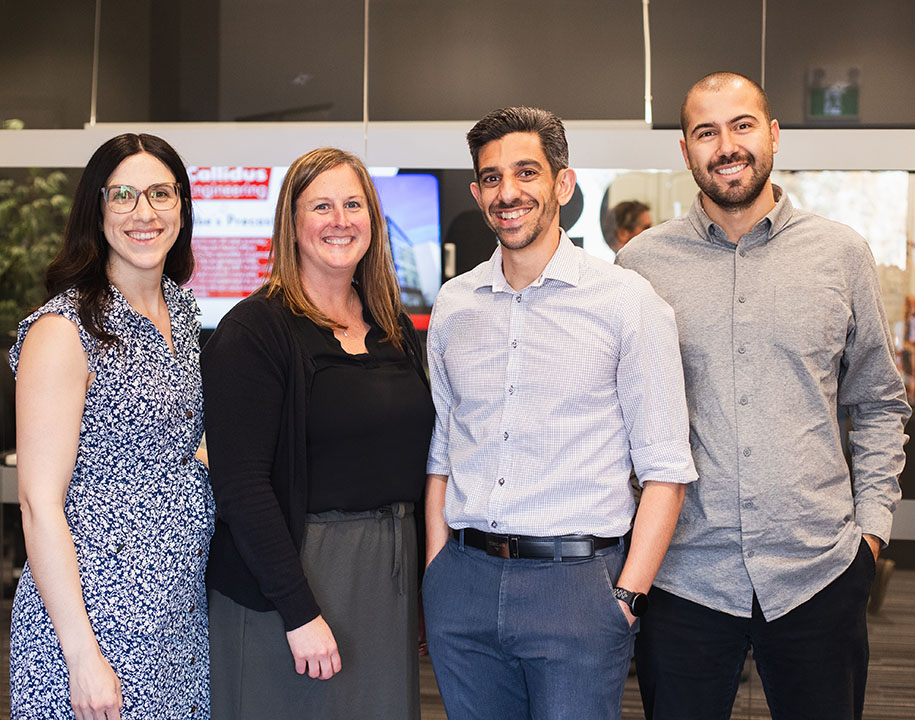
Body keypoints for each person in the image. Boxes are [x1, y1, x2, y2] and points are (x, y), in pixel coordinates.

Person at [616, 72, 910, 720]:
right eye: (706, 131)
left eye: (742, 125)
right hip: (683, 581)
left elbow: (879, 401)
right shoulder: (640, 266)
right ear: (685, 150)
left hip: (817, 576)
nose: (726, 145)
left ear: (772, 135)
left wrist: (870, 535)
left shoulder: (840, 254)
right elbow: (617, 420)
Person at [422, 106, 698, 720]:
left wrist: (627, 597)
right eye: (491, 178)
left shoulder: (628, 304)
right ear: (476, 192)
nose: (508, 192)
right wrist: (437, 576)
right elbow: (443, 450)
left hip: (577, 588)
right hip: (463, 584)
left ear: (563, 184)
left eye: (526, 172)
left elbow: (667, 470)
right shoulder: (454, 304)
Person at [201, 147, 433, 719]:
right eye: (321, 206)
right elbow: (241, 486)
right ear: (292, 222)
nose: (340, 220)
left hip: (388, 575)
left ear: (373, 221)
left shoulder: (392, 325)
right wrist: (300, 613)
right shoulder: (255, 329)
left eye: (354, 204)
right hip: (296, 579)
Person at [8, 133, 213, 719]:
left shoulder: (181, 309)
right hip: (95, 624)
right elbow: (37, 504)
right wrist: (82, 656)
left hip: (179, 621)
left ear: (182, 206)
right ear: (96, 211)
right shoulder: (64, 330)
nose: (143, 213)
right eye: (123, 195)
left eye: (160, 194)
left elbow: (169, 445)